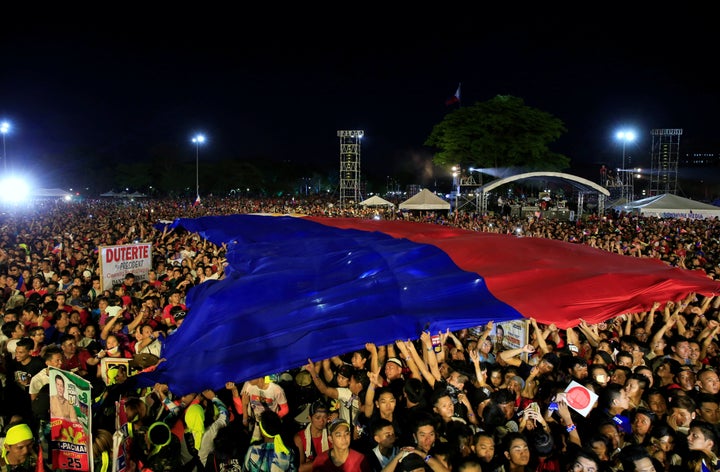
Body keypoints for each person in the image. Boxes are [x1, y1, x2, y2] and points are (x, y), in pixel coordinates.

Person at [293, 398, 331, 471]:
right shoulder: (299, 438)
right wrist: (327, 460)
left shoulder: (331, 435)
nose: (322, 421)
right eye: (317, 418)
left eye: (325, 417)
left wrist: (309, 464)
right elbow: (301, 469)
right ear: (310, 418)